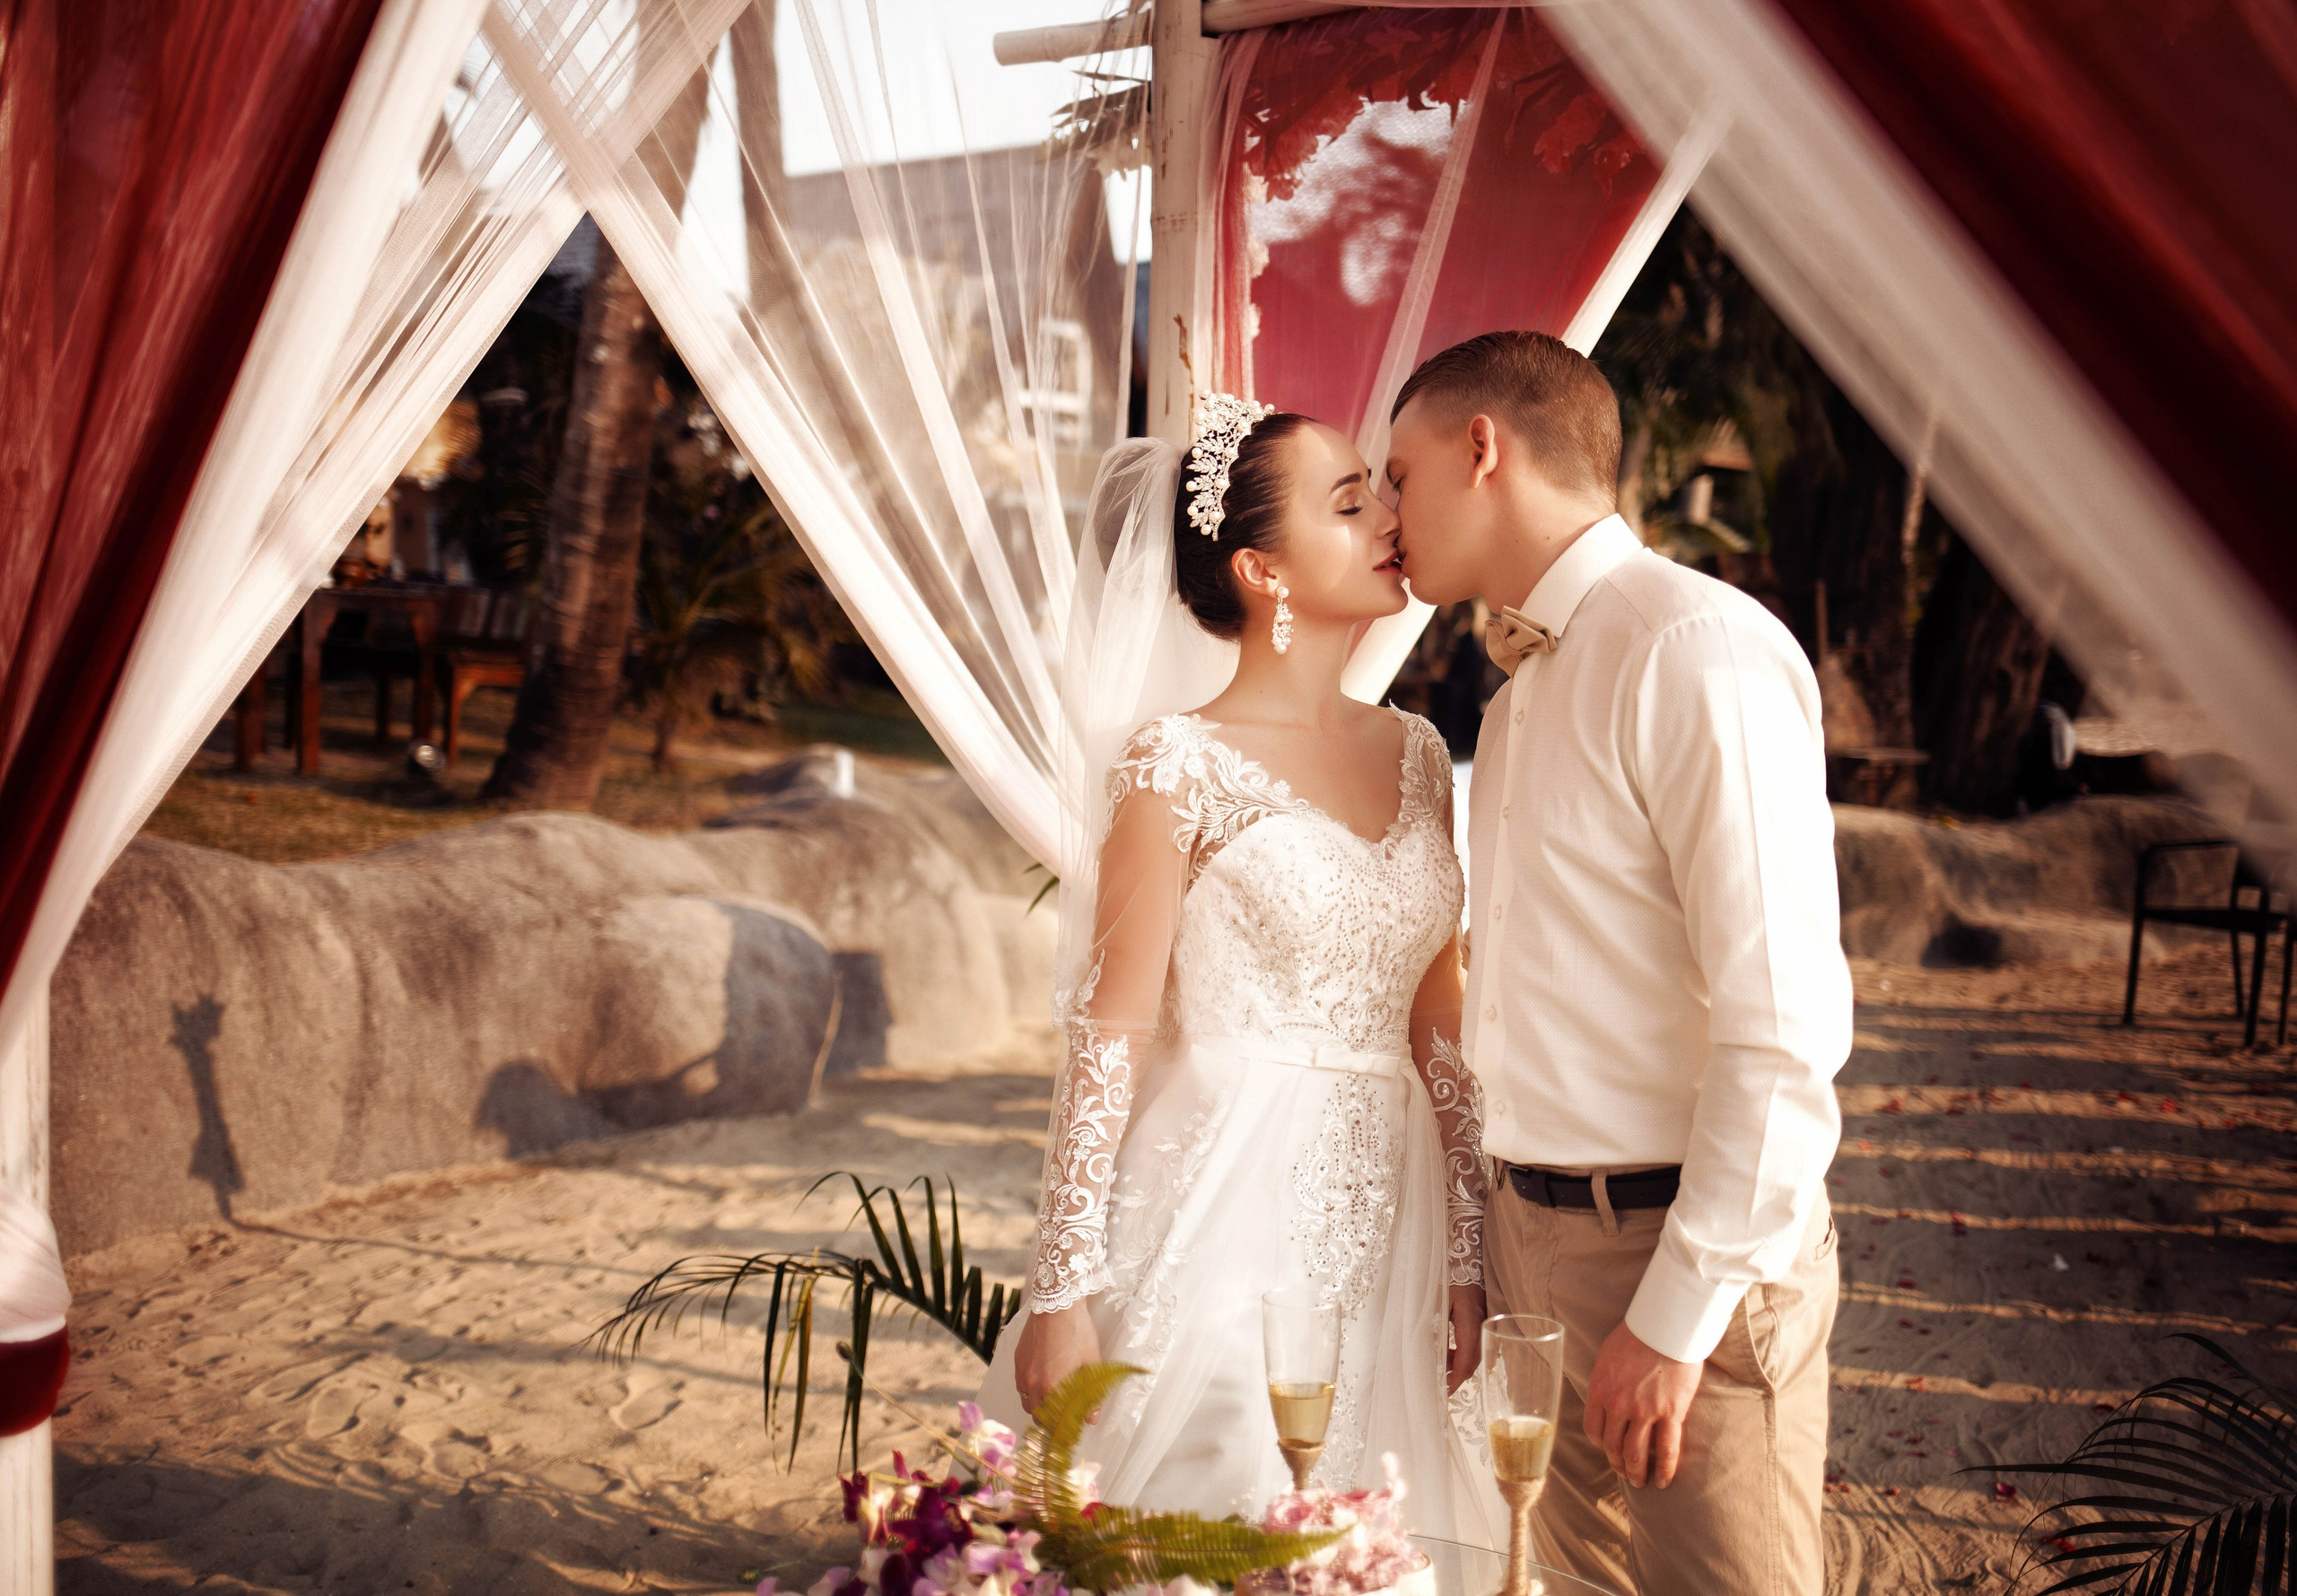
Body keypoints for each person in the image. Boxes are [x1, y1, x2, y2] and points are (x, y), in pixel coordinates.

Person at [978, 396, 1500, 1547]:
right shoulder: (1172, 764)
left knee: (1382, 1528)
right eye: (1350, 501)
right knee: (1211, 1512)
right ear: (1261, 570)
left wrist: (1467, 1255)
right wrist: (1059, 1289)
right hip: (1220, 1198)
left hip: (1398, 1207)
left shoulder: (1419, 754)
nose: (1388, 519)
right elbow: (1104, 1033)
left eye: (1383, 491)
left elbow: (1440, 1023)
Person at [1384, 331, 1851, 1596]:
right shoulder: (1517, 693)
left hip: (1674, 1245)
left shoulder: (1695, 647)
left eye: (1400, 469)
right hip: (1539, 1244)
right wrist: (1489, 1245)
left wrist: (1679, 1308)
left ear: (1483, 448)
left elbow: (1786, 1024)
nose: (1387, 509)